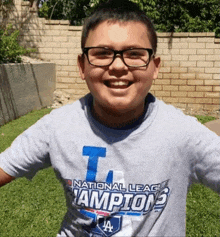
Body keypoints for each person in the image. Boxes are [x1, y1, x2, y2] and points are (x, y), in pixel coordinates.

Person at [0, 0, 220, 236]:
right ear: (82, 66)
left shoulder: (182, 133)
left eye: (134, 53)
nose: (117, 66)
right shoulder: (58, 126)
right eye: (102, 53)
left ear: (154, 67)